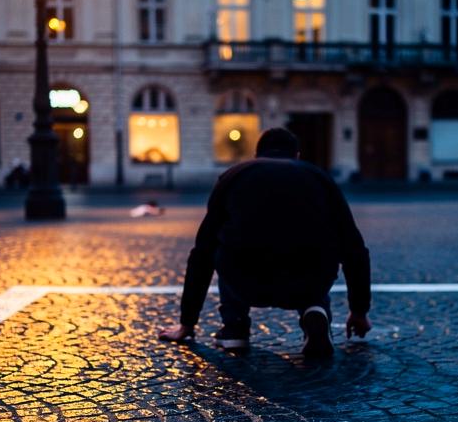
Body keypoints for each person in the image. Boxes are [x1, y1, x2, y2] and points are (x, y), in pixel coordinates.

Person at [158, 128, 371, 358]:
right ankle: (315, 309)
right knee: (314, 248)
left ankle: (235, 327)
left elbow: (202, 251)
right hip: (308, 281)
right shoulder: (319, 177)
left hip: (246, 280)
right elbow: (354, 249)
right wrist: (359, 311)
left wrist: (187, 323)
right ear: (297, 155)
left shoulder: (234, 175)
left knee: (221, 244)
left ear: (256, 155)